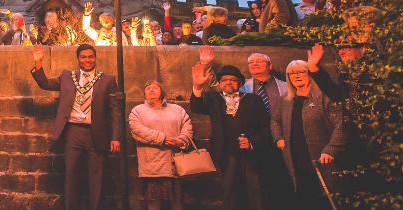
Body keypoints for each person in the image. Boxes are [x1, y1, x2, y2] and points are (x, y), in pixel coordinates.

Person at [30, 44, 122, 210]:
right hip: (72, 132)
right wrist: (38, 63)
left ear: (95, 58)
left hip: (96, 133)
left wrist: (115, 137)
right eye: (84, 57)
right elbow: (45, 84)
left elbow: (115, 111)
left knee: (97, 177)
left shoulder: (107, 80)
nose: (87, 60)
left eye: (90, 57)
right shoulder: (67, 76)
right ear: (78, 59)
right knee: (71, 175)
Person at [190, 62, 271, 210]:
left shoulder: (254, 100)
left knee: (255, 191)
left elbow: (266, 127)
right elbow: (196, 107)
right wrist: (197, 87)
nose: (228, 82)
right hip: (226, 154)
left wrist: (252, 142)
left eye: (233, 80)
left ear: (240, 83)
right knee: (230, 192)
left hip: (251, 154)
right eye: (225, 79)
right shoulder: (213, 99)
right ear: (220, 84)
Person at [270, 60, 345, 209]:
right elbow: (274, 120)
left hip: (322, 158)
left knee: (327, 197)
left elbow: (341, 124)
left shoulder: (324, 96)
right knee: (304, 195)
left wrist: (331, 149)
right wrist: (278, 138)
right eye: (292, 73)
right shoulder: (286, 98)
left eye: (301, 72)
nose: (296, 76)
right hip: (295, 157)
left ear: (310, 74)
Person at [129, 80, 193, 210]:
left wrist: (181, 140)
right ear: (144, 94)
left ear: (162, 91)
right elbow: (136, 130)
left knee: (177, 201)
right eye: (148, 89)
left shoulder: (177, 109)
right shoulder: (138, 111)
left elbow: (188, 128)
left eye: (155, 88)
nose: (151, 90)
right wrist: (162, 138)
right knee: (154, 202)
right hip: (152, 165)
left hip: (175, 163)